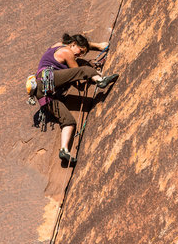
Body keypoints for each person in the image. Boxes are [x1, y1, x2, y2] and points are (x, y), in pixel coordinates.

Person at [35, 33, 118, 163]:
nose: (79, 55)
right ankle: (101, 80)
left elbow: (78, 42)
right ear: (73, 44)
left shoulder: (57, 45)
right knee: (83, 70)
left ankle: (64, 150)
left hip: (43, 92)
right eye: (80, 51)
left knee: (68, 121)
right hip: (48, 79)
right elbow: (78, 72)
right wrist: (94, 75)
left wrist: (96, 46)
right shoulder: (67, 51)